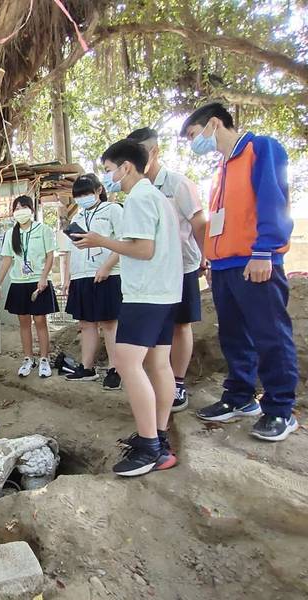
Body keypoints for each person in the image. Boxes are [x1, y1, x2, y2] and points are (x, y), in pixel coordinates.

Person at [181, 102, 298, 441]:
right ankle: (239, 397)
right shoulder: (222, 168)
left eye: (193, 134)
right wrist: (212, 261)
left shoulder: (260, 148)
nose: (193, 143)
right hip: (225, 266)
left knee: (271, 336)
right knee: (233, 336)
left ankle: (280, 409)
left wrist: (264, 250)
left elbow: (273, 200)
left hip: (256, 261)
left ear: (214, 123)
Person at [73, 140, 183, 477]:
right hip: (166, 293)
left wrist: (100, 240)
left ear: (126, 167)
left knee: (125, 362)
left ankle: (149, 446)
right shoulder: (158, 198)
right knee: (158, 365)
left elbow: (143, 249)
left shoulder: (137, 199)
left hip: (144, 295)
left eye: (108, 170)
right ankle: (158, 438)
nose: (108, 177)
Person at [127, 127, 207, 412]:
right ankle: (159, 382)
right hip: (151, 273)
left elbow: (198, 222)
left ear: (154, 152)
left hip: (182, 267)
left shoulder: (177, 184)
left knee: (180, 324)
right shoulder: (134, 191)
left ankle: (178, 383)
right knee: (160, 330)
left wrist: (204, 258)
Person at [61, 174, 123, 390]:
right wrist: (67, 277)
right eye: (78, 195)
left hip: (109, 274)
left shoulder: (113, 210)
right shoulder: (77, 217)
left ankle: (116, 369)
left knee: (109, 323)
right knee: (86, 324)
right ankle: (87, 367)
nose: (83, 198)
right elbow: (70, 250)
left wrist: (107, 267)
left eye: (86, 193)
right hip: (81, 276)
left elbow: (125, 241)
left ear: (98, 190)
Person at [0, 195, 59, 378]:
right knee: (23, 322)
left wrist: (44, 278)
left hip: (39, 282)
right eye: (16, 208)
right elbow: (7, 259)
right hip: (19, 283)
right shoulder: (10, 234)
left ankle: (44, 359)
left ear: (31, 210)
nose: (20, 210)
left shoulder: (44, 229)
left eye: (24, 207)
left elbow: (50, 256)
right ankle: (28, 358)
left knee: (40, 321)